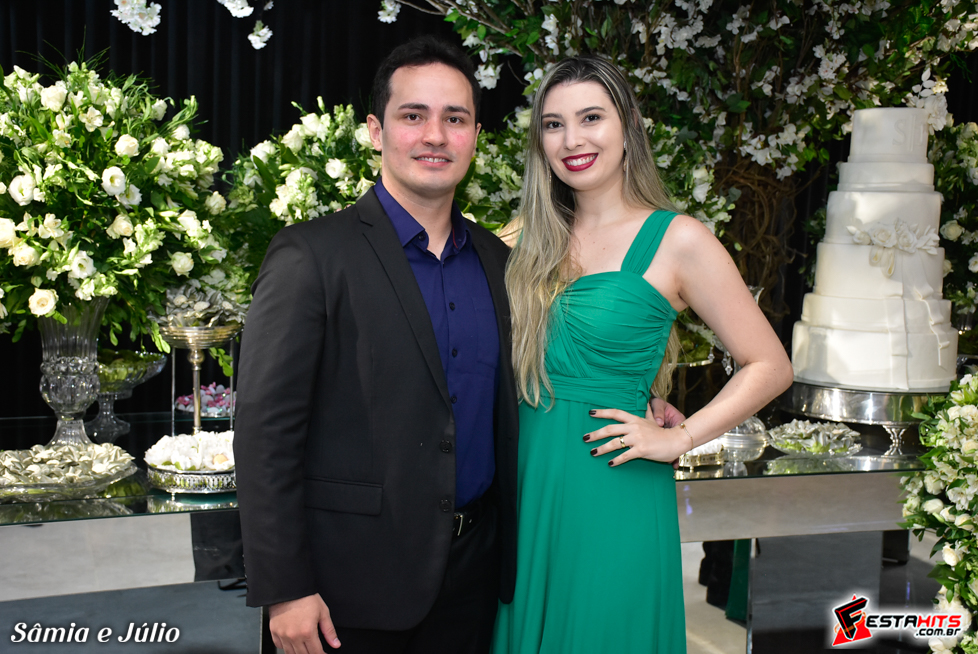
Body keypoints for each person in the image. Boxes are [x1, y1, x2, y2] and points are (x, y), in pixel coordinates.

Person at [492, 56, 793, 653]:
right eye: (554, 124)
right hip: (523, 479)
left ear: (628, 124)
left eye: (591, 118)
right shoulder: (520, 237)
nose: (572, 140)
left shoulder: (680, 240)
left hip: (613, 479)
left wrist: (682, 437)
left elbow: (771, 366)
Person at [233, 37, 517, 654]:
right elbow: (264, 433)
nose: (435, 135)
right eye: (413, 115)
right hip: (343, 590)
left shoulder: (499, 262)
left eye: (455, 119)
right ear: (375, 130)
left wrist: (646, 400)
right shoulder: (311, 255)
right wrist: (285, 587)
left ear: (475, 137)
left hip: (474, 580)